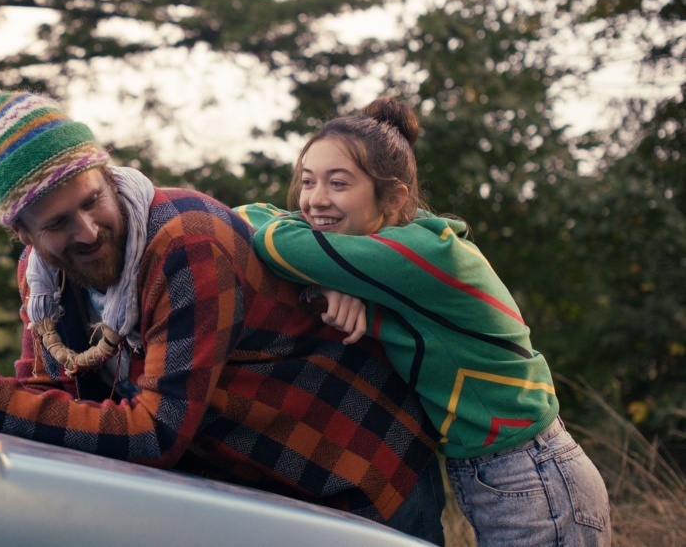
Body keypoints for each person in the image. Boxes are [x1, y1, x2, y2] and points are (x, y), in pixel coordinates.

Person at [0, 87, 443, 535]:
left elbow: (154, 434)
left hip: (360, 478)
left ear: (109, 177)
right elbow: (46, 391)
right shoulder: (42, 277)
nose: (87, 231)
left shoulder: (188, 244)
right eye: (58, 223)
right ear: (25, 234)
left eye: (92, 201)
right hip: (259, 495)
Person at [236, 97, 612, 545]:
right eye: (307, 181)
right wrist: (330, 284)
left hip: (531, 476)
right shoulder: (400, 243)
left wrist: (323, 275)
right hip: (509, 473)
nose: (316, 199)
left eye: (338, 183)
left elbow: (271, 239)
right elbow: (247, 214)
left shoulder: (418, 256)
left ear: (393, 198)